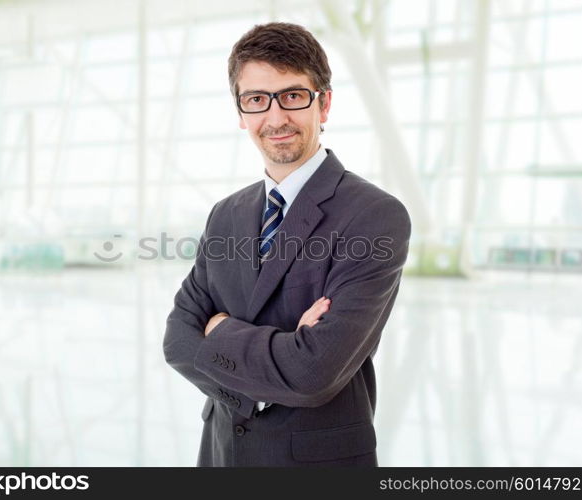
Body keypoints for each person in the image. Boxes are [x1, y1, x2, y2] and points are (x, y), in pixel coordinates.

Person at [163, 22, 411, 467]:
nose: (275, 118)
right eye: (257, 100)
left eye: (292, 96)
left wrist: (218, 330)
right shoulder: (225, 214)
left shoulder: (374, 216)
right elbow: (177, 343)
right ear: (241, 113)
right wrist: (278, 355)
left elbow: (313, 372)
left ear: (325, 103)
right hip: (222, 456)